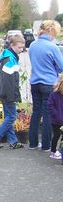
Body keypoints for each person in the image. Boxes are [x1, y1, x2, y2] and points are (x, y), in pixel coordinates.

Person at [28, 20, 63, 151]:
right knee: (48, 113)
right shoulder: (52, 47)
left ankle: (32, 143)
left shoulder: (32, 45)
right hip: (48, 83)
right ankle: (46, 145)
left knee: (36, 112)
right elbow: (61, 67)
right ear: (51, 31)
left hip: (35, 82)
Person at [0, 34, 26, 149]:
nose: (21, 50)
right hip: (8, 94)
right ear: (12, 45)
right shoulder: (10, 59)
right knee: (12, 117)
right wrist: (13, 97)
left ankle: (13, 141)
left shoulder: (9, 56)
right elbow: (9, 82)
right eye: (19, 47)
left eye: (22, 47)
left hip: (4, 92)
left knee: (9, 116)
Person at [46, 75, 63, 159]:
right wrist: (56, 115)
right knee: (56, 136)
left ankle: (60, 150)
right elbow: (49, 105)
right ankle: (53, 151)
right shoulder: (54, 94)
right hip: (56, 121)